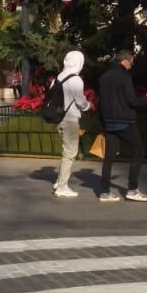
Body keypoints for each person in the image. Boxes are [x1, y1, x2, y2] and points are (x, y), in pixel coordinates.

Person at [97, 49, 147, 202]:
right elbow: (131, 101)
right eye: (131, 61)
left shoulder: (104, 77)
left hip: (108, 122)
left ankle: (104, 192)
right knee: (139, 151)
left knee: (109, 157)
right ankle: (132, 189)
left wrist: (102, 123)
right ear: (125, 60)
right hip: (125, 121)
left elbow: (101, 102)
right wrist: (145, 99)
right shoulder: (124, 76)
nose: (132, 65)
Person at [53, 49, 89, 199]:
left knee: (66, 151)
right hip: (70, 119)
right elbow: (80, 101)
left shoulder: (59, 77)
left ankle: (59, 181)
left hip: (59, 118)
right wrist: (88, 106)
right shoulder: (75, 79)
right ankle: (61, 187)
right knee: (70, 153)